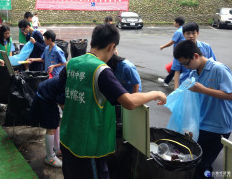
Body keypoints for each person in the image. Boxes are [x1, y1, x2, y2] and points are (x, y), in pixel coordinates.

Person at [59, 24, 167, 179]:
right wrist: (156, 93)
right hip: (88, 148)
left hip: (68, 137)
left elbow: (58, 94)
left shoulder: (72, 63)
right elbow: (129, 102)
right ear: (112, 47)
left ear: (91, 43)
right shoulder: (101, 70)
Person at [173, 40, 232, 179]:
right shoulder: (193, 73)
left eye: (185, 63)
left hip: (218, 127)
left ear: (195, 56)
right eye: (182, 65)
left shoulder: (218, 69)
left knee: (202, 165)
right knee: (195, 162)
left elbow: (230, 95)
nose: (185, 67)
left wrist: (204, 90)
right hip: (201, 124)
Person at [28, 77, 65, 167]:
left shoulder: (68, 79)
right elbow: (62, 103)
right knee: (51, 127)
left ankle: (57, 149)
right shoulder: (67, 83)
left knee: (56, 123)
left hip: (49, 97)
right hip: (45, 99)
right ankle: (50, 157)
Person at [172, 22, 216, 89]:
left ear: (197, 33)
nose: (191, 36)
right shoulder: (180, 49)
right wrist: (176, 88)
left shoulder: (206, 47)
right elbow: (177, 70)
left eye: (193, 33)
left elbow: (213, 64)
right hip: (186, 83)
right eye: (188, 33)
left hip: (203, 84)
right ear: (183, 34)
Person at [158, 16, 185, 86]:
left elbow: (172, 42)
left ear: (177, 23)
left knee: (176, 68)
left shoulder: (178, 32)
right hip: (183, 52)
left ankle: (167, 82)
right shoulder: (184, 30)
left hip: (179, 53)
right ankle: (166, 81)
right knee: (176, 67)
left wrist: (163, 47)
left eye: (174, 22)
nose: (173, 23)